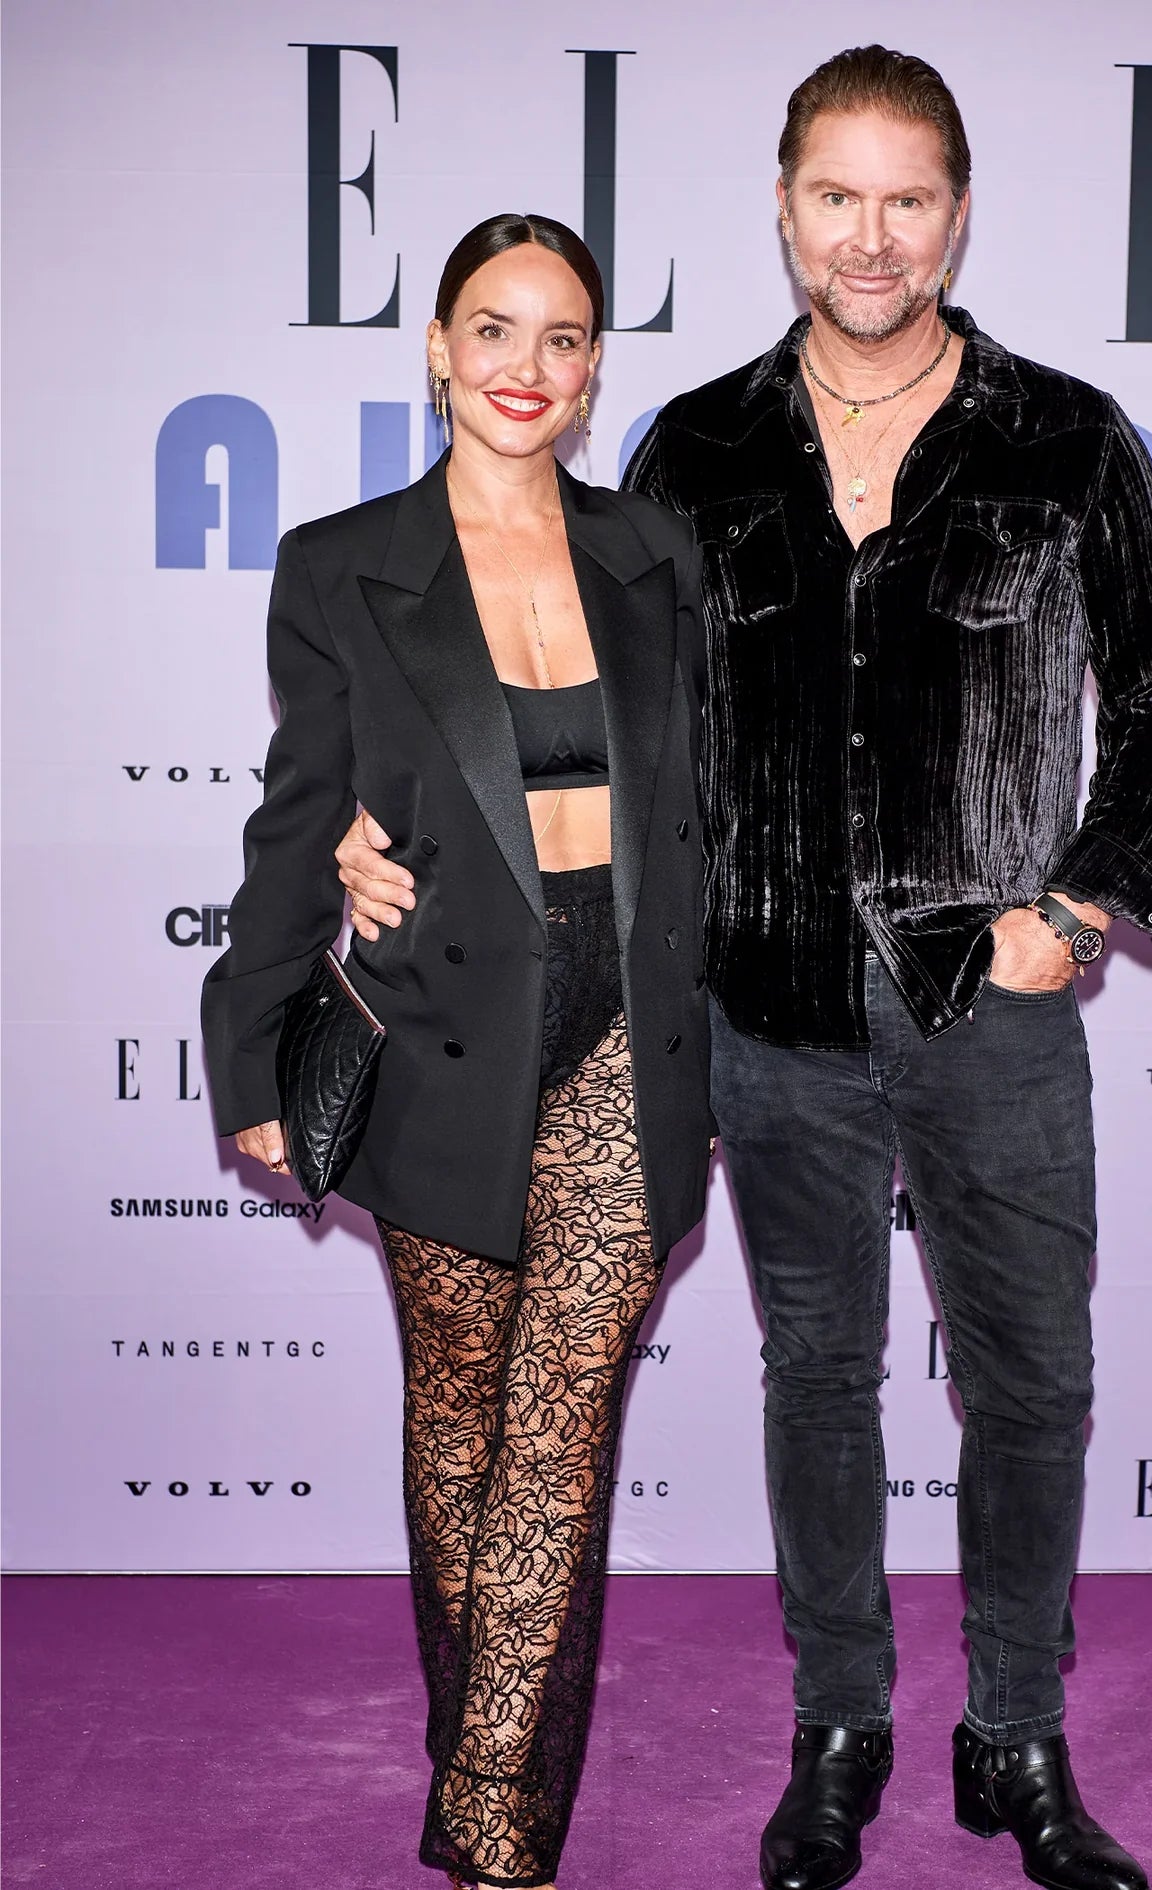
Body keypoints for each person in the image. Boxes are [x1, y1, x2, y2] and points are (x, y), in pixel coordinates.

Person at [338, 45, 1152, 1890]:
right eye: (837, 196)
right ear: (787, 209)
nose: (870, 237)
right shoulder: (696, 452)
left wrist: (1073, 911)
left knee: (1031, 1384)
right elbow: (571, 701)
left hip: (992, 1009)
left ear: (955, 217)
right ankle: (840, 1729)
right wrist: (376, 814)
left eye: (907, 200)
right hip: (767, 1005)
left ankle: (1016, 1737)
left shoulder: (1066, 441)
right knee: (818, 1375)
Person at [202, 212, 710, 1890]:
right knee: (461, 1423)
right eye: (494, 329)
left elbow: (708, 803)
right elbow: (298, 822)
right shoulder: (340, 564)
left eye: (563, 339)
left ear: (594, 367)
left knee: (556, 1430)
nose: (526, 368)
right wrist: (252, 1052)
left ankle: (495, 1831)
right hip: (436, 1028)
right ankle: (483, 1752)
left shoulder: (658, 554)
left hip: (628, 1027)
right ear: (437, 346)